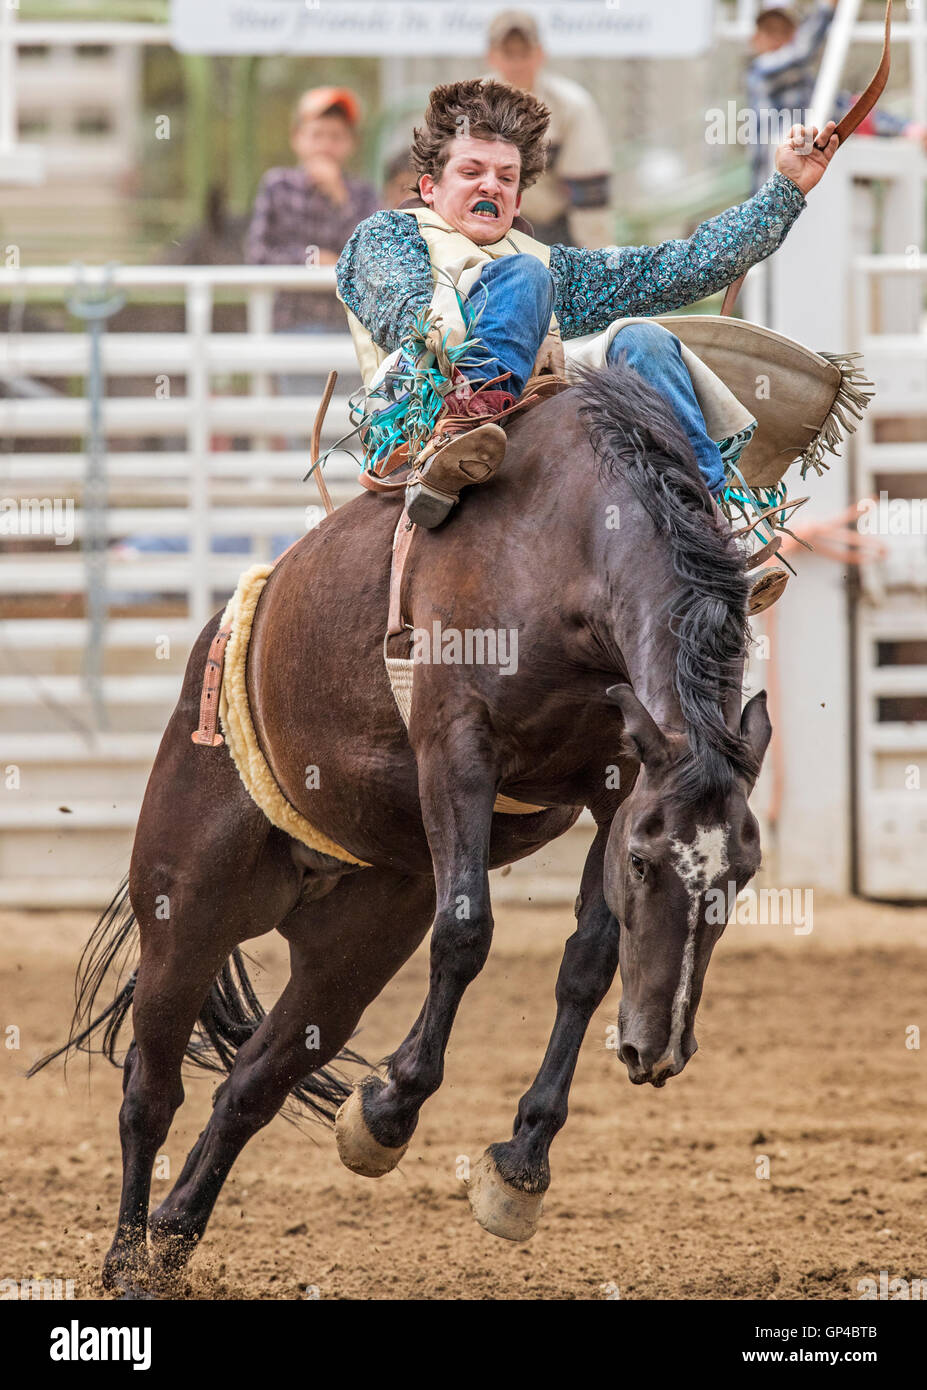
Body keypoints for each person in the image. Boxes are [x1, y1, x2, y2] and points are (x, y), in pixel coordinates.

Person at [336, 79, 838, 612]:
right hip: (426, 405)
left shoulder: (548, 263)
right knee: (524, 277)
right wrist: (497, 308)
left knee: (642, 338)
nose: (492, 186)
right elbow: (405, 311)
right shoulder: (390, 234)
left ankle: (710, 522)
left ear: (519, 198)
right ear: (429, 187)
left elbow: (678, 267)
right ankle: (461, 429)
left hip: (532, 404)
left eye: (506, 177)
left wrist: (785, 189)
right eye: (472, 172)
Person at [245, 86, 379, 384]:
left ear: (351, 143)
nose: (326, 145)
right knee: (301, 423)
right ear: (297, 138)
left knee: (347, 424)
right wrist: (313, 260)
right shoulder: (277, 185)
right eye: (317, 135)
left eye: (336, 136)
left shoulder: (361, 194)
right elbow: (257, 253)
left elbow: (374, 255)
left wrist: (339, 197)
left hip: (350, 329)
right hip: (292, 325)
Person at [748, 3, 926, 194]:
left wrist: (906, 128)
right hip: (772, 189)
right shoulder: (762, 72)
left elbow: (847, 109)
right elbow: (802, 52)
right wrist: (826, 8)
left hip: (780, 190)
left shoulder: (798, 86)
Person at [485, 9, 613, 247]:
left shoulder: (572, 106)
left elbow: (589, 191)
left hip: (553, 229)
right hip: (484, 224)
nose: (517, 62)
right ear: (492, 56)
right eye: (508, 53)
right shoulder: (471, 105)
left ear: (540, 54)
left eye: (524, 52)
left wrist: (597, 257)